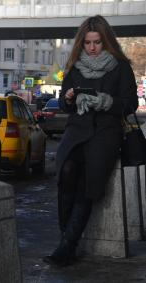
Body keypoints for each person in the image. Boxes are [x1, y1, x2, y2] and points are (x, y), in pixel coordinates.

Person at [43, 15, 138, 267]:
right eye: (87, 43)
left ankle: (66, 247)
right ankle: (66, 242)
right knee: (67, 171)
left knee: (88, 182)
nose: (92, 47)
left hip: (105, 133)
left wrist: (106, 101)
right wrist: (71, 97)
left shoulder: (120, 66)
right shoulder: (75, 66)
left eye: (97, 42)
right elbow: (64, 103)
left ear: (106, 41)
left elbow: (130, 104)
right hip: (77, 130)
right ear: (81, 43)